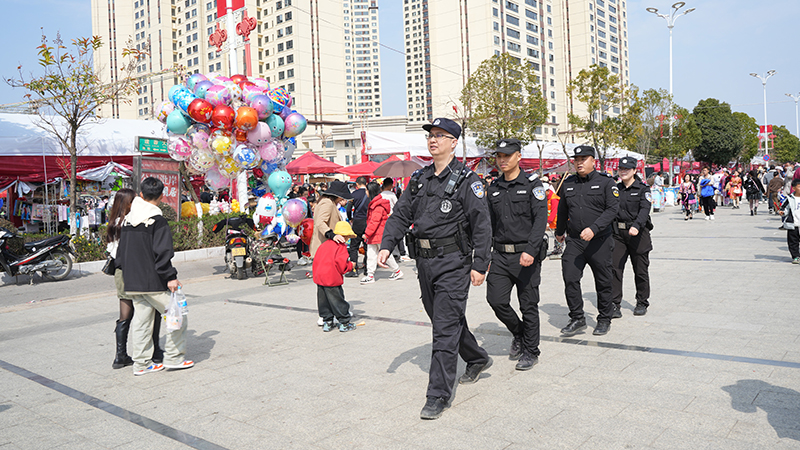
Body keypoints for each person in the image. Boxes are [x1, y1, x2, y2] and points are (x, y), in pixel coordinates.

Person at [378, 117, 492, 420]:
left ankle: (438, 394)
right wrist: (387, 244)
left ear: (453, 143)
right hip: (425, 263)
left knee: (443, 329)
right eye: (430, 135)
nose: (433, 140)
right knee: (445, 319)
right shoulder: (419, 179)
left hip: (455, 263)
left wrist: (480, 264)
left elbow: (482, 226)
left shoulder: (469, 181)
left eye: (440, 136)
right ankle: (477, 357)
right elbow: (401, 215)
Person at [116, 177, 193, 376]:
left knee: (142, 322)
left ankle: (141, 363)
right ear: (161, 196)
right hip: (152, 281)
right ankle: (175, 357)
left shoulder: (128, 220)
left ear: (141, 195)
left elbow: (121, 252)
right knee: (177, 316)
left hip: (132, 281)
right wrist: (171, 277)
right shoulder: (156, 220)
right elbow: (163, 252)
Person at [485, 138, 547, 371]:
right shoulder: (493, 188)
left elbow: (540, 220)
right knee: (496, 300)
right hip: (500, 256)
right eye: (499, 156)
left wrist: (531, 250)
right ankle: (519, 332)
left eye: (507, 156)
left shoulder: (533, 184)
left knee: (528, 304)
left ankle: (531, 351)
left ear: (518, 156)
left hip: (526, 255)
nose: (502, 160)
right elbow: (489, 223)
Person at [555, 145, 619, 337]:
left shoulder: (606, 183)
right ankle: (577, 317)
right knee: (570, 278)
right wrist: (559, 232)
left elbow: (612, 210)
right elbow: (563, 210)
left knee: (603, 280)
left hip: (599, 240)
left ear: (593, 161)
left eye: (584, 159)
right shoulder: (569, 183)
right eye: (577, 159)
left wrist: (594, 228)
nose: (579, 163)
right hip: (575, 241)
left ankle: (604, 318)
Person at [106, 189, 162, 369]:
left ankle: (120, 355)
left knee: (125, 314)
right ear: (127, 203)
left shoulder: (113, 222)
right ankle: (154, 351)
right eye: (134, 200)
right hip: (135, 269)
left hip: (120, 271)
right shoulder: (131, 221)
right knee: (152, 308)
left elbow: (111, 250)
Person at [611, 157, 653, 318]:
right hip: (618, 235)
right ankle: (615, 304)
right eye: (621, 168)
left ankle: (642, 302)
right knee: (615, 270)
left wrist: (636, 225)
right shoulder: (615, 189)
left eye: (627, 169)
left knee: (640, 270)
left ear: (635, 171)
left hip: (638, 234)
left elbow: (645, 209)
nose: (623, 171)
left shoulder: (643, 189)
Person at [313, 221, 358, 331]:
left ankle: (327, 322)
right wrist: (350, 265)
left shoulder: (324, 245)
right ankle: (344, 322)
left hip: (320, 277)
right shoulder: (340, 247)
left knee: (323, 301)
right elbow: (341, 265)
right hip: (332, 278)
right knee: (337, 300)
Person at [362, 181, 403, 283]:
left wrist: (366, 234)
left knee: (383, 255)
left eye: (366, 190)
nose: (365, 192)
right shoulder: (376, 203)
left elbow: (374, 222)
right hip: (376, 234)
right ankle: (370, 275)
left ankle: (396, 271)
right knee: (372, 254)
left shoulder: (377, 205)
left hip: (378, 234)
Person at [346, 176, 370, 277]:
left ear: (357, 184)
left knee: (354, 246)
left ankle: (354, 269)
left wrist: (350, 218)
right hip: (368, 221)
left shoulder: (353, 194)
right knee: (367, 246)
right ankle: (367, 268)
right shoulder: (370, 194)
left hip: (357, 221)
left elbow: (348, 208)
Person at [779, 179, 800, 264]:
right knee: (793, 242)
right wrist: (782, 212)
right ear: (794, 188)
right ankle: (795, 256)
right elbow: (784, 208)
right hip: (793, 223)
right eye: (799, 186)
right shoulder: (790, 198)